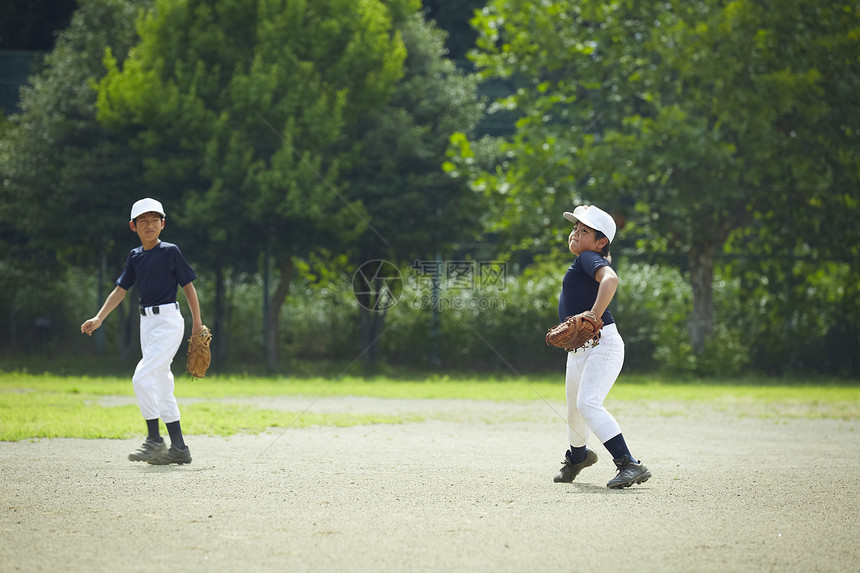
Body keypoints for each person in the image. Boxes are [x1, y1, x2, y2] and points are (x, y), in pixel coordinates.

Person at [81, 198, 204, 466]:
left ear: (163, 223)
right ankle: (179, 448)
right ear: (133, 226)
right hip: (146, 323)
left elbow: (188, 287)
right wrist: (99, 317)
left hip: (169, 321)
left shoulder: (170, 251)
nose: (149, 224)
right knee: (160, 383)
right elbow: (121, 290)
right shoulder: (135, 256)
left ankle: (154, 440)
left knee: (141, 376)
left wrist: (197, 323)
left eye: (154, 219)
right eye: (143, 220)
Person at [552, 205, 651, 489]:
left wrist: (594, 315)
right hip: (580, 348)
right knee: (574, 410)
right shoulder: (584, 259)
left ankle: (629, 464)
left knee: (588, 403)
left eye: (584, 231)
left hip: (602, 343)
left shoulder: (588, 258)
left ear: (600, 242)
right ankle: (578, 457)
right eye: (575, 228)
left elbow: (611, 279)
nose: (575, 233)